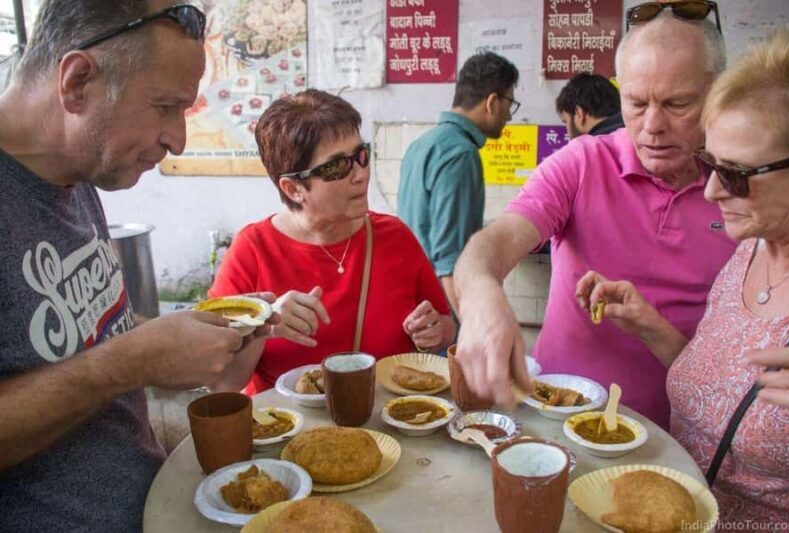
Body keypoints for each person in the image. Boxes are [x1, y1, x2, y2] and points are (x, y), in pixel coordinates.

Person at [0, 2, 280, 531]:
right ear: (78, 81)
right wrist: (129, 361)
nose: (178, 139)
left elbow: (87, 339)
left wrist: (205, 329)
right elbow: (111, 360)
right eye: (165, 106)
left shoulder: (78, 169)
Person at [453, 2, 736, 430]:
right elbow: (496, 241)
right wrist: (480, 295)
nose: (652, 125)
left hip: (679, 435)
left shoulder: (742, 185)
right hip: (557, 417)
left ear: (718, 94)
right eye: (636, 103)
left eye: (677, 104)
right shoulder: (583, 161)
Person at [576, 28, 789, 526]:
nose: (714, 191)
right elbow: (720, 393)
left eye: (738, 174)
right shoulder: (746, 255)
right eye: (710, 164)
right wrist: (649, 326)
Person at [209, 89, 456, 394]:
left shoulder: (395, 238)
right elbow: (222, 384)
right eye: (337, 166)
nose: (360, 174)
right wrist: (262, 324)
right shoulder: (252, 251)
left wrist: (433, 332)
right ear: (293, 188)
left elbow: (446, 327)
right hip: (286, 433)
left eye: (361, 156)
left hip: (381, 429)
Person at [397, 52, 519, 314]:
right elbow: (449, 260)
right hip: (442, 308)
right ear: (492, 102)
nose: (509, 115)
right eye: (510, 104)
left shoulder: (422, 145)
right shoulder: (461, 154)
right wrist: (467, 328)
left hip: (413, 300)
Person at [556, 72, 623, 140]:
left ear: (579, 113)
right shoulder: (631, 134)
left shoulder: (584, 148)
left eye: (566, 122)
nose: (568, 134)